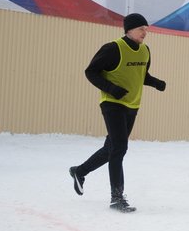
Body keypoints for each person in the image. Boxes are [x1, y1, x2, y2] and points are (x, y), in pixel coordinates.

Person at [68, 13, 166, 212]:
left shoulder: (145, 51)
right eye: (141, 29)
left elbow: (141, 75)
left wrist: (155, 83)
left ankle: (80, 171)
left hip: (132, 104)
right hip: (112, 103)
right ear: (128, 29)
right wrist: (111, 88)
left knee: (112, 147)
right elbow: (91, 72)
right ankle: (116, 197)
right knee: (120, 148)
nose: (145, 33)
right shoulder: (113, 48)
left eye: (146, 29)